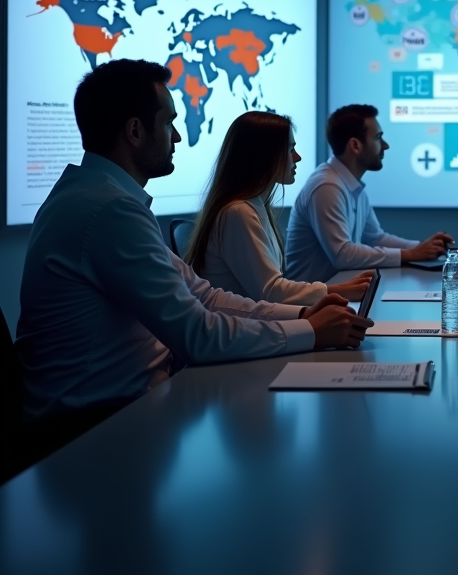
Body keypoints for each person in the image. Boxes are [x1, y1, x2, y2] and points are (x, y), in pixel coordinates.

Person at [16, 60, 371, 422]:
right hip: (96, 425)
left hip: (130, 404)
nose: (178, 137)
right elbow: (197, 335)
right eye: (169, 122)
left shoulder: (98, 198)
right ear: (135, 132)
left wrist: (302, 315)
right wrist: (309, 331)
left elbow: (204, 296)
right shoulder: (108, 210)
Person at [184, 111, 374, 305]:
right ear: (262, 156)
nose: (297, 157)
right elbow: (271, 291)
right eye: (290, 149)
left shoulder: (255, 206)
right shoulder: (238, 212)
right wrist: (338, 291)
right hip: (238, 330)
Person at [285, 104, 452, 281]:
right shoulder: (327, 185)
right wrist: (411, 254)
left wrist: (423, 248)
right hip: (309, 305)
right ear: (355, 145)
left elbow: (375, 238)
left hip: (332, 296)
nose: (385, 146)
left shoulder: (349, 184)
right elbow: (343, 255)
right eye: (378, 138)